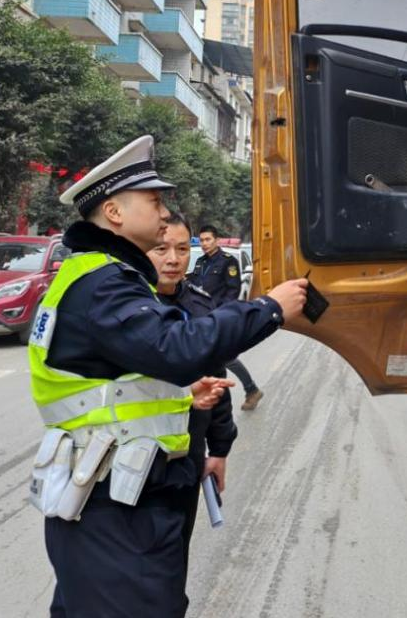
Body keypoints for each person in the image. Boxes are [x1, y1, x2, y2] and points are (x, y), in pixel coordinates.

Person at [27, 135, 308, 618]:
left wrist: (184, 394)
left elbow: (119, 377)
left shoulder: (102, 275)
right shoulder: (104, 282)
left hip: (118, 500)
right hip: (113, 510)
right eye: (154, 202)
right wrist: (268, 308)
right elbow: (178, 349)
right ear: (114, 212)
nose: (163, 214)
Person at [147, 213, 238, 557]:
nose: (173, 259)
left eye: (183, 249)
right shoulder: (128, 305)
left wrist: (219, 449)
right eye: (161, 248)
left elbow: (217, 381)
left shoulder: (199, 303)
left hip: (188, 453)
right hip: (132, 452)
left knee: (174, 556)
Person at [190, 224, 265, 410]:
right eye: (202, 240)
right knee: (216, 356)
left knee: (224, 356)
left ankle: (250, 390)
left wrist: (220, 313)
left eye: (208, 239)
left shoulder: (228, 261)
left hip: (217, 316)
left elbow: (233, 290)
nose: (205, 244)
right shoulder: (200, 262)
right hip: (200, 315)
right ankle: (249, 390)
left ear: (216, 240)